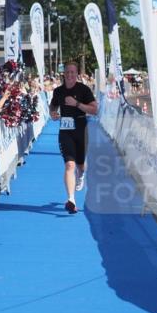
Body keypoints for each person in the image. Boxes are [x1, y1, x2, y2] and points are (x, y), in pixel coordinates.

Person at [49, 62, 97, 214]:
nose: (70, 75)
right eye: (67, 72)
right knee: (70, 165)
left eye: (72, 72)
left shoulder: (84, 89)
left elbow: (94, 109)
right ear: (64, 73)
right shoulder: (58, 91)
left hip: (81, 130)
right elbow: (53, 106)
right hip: (65, 131)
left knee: (80, 165)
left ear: (77, 74)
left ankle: (81, 173)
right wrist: (53, 113)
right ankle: (71, 199)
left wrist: (77, 104)